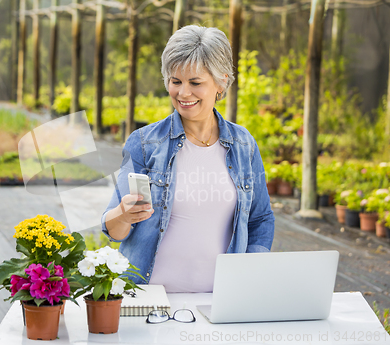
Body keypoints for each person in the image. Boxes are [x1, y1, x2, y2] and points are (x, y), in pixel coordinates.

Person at [101, 25, 274, 293]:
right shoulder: (145, 143)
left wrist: (249, 272)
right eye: (175, 81)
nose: (183, 93)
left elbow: (261, 219)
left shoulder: (243, 145)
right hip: (150, 298)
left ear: (221, 82)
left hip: (220, 301)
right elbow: (114, 232)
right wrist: (124, 214)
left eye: (195, 83)